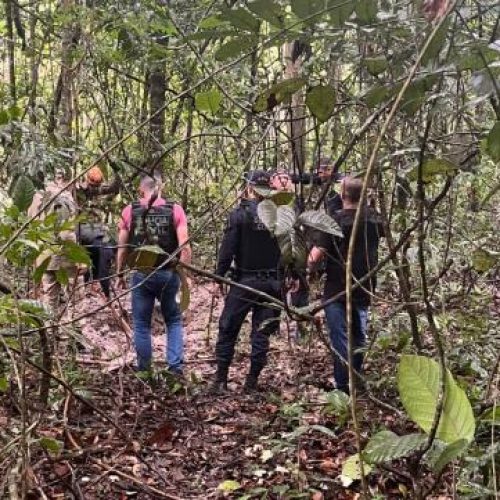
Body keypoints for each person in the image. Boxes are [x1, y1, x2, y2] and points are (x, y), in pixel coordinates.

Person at [308, 177, 384, 394]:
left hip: (337, 289)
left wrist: (308, 271)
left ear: (342, 196)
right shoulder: (374, 220)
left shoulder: (335, 222)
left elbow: (315, 256)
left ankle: (343, 385)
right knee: (358, 335)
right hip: (364, 285)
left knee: (340, 336)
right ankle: (355, 378)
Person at [210, 170, 284, 394]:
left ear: (250, 188)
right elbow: (288, 251)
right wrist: (292, 276)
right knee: (261, 333)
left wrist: (218, 277)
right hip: (271, 283)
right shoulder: (279, 215)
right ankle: (251, 382)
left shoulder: (240, 215)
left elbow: (227, 250)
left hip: (245, 282)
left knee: (228, 328)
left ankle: (221, 380)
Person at [116, 174, 191, 374]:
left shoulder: (129, 211)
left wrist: (119, 274)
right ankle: (175, 368)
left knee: (141, 324)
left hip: (142, 274)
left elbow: (122, 247)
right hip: (168, 273)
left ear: (141, 190)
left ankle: (144, 370)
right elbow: (185, 246)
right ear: (160, 188)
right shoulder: (175, 210)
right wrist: (185, 276)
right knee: (173, 320)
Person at [28, 167, 79, 311]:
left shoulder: (36, 197)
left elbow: (31, 224)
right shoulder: (67, 196)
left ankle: (50, 329)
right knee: (71, 293)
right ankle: (72, 327)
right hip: (66, 248)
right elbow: (72, 223)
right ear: (61, 179)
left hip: (45, 250)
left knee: (50, 294)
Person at [76, 165, 120, 298]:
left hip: (96, 229)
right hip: (82, 228)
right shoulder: (79, 190)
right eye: (92, 184)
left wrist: (116, 171)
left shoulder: (99, 189)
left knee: (96, 256)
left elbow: (114, 187)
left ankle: (94, 284)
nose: (94, 187)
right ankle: (85, 285)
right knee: (84, 257)